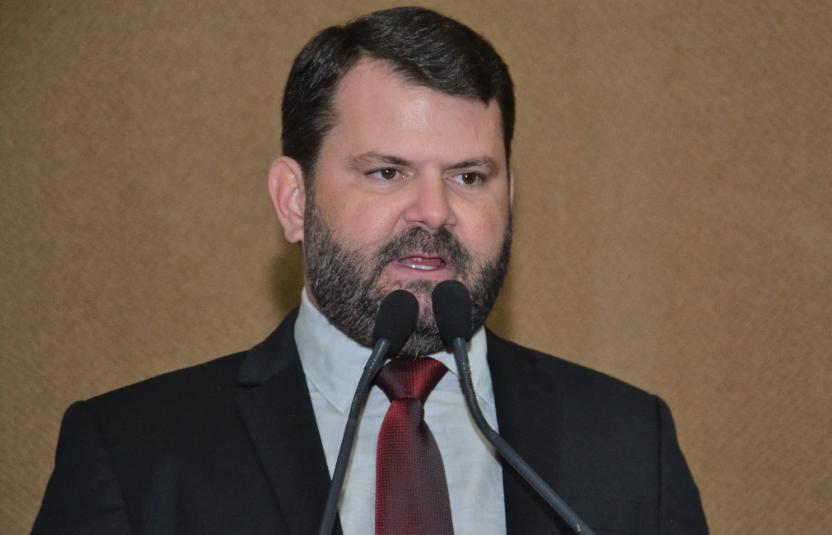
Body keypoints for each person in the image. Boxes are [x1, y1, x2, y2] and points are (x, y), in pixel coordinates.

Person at [32, 7, 708, 535]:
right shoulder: (135, 453)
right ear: (293, 200)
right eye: (387, 172)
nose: (434, 211)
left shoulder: (627, 442)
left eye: (469, 177)